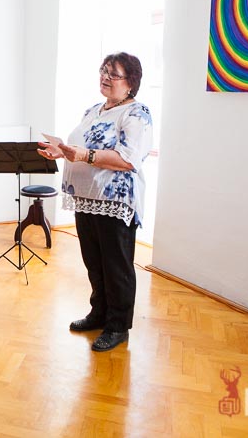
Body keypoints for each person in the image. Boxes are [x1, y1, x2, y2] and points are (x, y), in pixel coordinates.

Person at [38, 52, 153, 352]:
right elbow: (81, 147)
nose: (105, 77)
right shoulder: (93, 110)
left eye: (113, 74)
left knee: (116, 266)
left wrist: (85, 155)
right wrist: (61, 151)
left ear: (131, 83)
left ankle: (118, 326)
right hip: (86, 197)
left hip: (114, 200)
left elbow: (129, 159)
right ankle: (99, 312)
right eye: (104, 70)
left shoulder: (136, 113)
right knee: (94, 262)